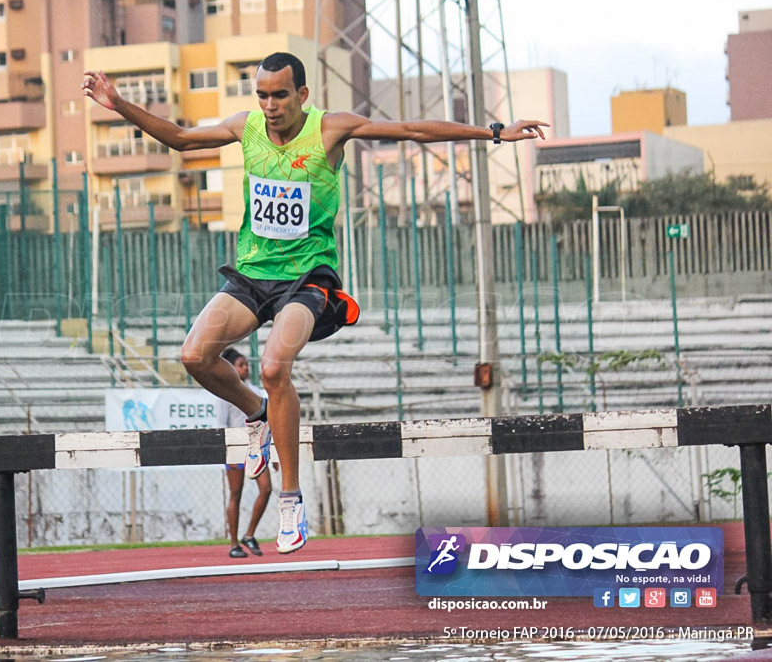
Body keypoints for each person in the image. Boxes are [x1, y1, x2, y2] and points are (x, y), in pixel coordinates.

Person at [83, 52, 547, 554]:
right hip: (253, 274)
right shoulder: (247, 128)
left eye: (279, 95)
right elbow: (179, 138)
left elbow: (412, 129)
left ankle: (290, 500)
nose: (269, 105)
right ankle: (256, 413)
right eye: (261, 95)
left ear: (301, 95)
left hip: (307, 279)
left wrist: (495, 132)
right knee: (194, 355)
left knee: (274, 363)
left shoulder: (330, 130)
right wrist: (120, 104)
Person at [220, 346, 275, 558]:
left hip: (256, 446)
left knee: (267, 488)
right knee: (236, 493)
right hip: (234, 447)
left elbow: (267, 421)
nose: (245, 368)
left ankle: (249, 534)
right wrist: (226, 453)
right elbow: (220, 423)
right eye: (241, 365)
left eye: (246, 365)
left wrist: (275, 452)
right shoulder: (224, 392)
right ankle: (233, 543)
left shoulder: (257, 391)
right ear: (231, 369)